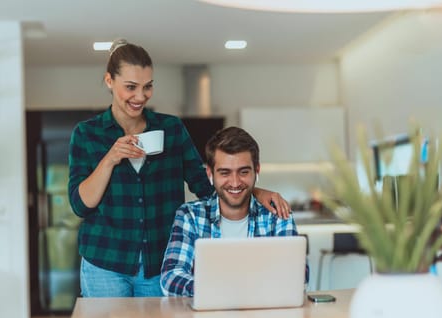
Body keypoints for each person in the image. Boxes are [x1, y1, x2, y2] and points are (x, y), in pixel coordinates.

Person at [68, 39, 291, 298]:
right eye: (131, 87)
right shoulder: (87, 134)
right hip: (104, 263)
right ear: (109, 81)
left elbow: (204, 185)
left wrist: (255, 192)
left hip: (159, 263)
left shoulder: (171, 129)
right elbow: (80, 205)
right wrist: (110, 159)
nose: (140, 96)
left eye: (148, 86)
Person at [160, 126, 298, 296]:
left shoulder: (277, 214)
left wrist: (229, 289)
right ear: (210, 174)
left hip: (265, 317)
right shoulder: (190, 216)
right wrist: (221, 290)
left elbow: (298, 275)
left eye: (243, 172)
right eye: (225, 173)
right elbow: (170, 277)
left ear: (257, 170)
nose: (234, 182)